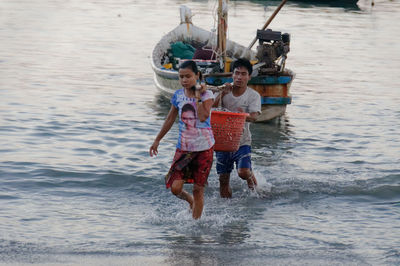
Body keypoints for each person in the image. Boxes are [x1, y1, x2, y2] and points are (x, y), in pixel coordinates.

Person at [149, 60, 215, 219]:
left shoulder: (208, 95)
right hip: (184, 148)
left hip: (204, 147)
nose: (184, 80)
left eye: (188, 76)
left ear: (197, 76)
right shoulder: (178, 95)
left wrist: (198, 96)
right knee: (175, 188)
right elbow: (170, 118)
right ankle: (189, 201)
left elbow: (202, 116)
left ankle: (195, 225)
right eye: (181, 77)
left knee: (198, 188)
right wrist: (157, 139)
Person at [212, 58, 261, 198]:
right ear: (232, 75)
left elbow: (254, 116)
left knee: (244, 172)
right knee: (223, 180)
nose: (239, 77)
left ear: (249, 77)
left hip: (242, 141)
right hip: (223, 142)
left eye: (243, 74)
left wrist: (240, 115)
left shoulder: (253, 96)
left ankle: (255, 190)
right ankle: (227, 208)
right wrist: (222, 93)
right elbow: (211, 108)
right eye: (237, 73)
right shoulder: (224, 90)